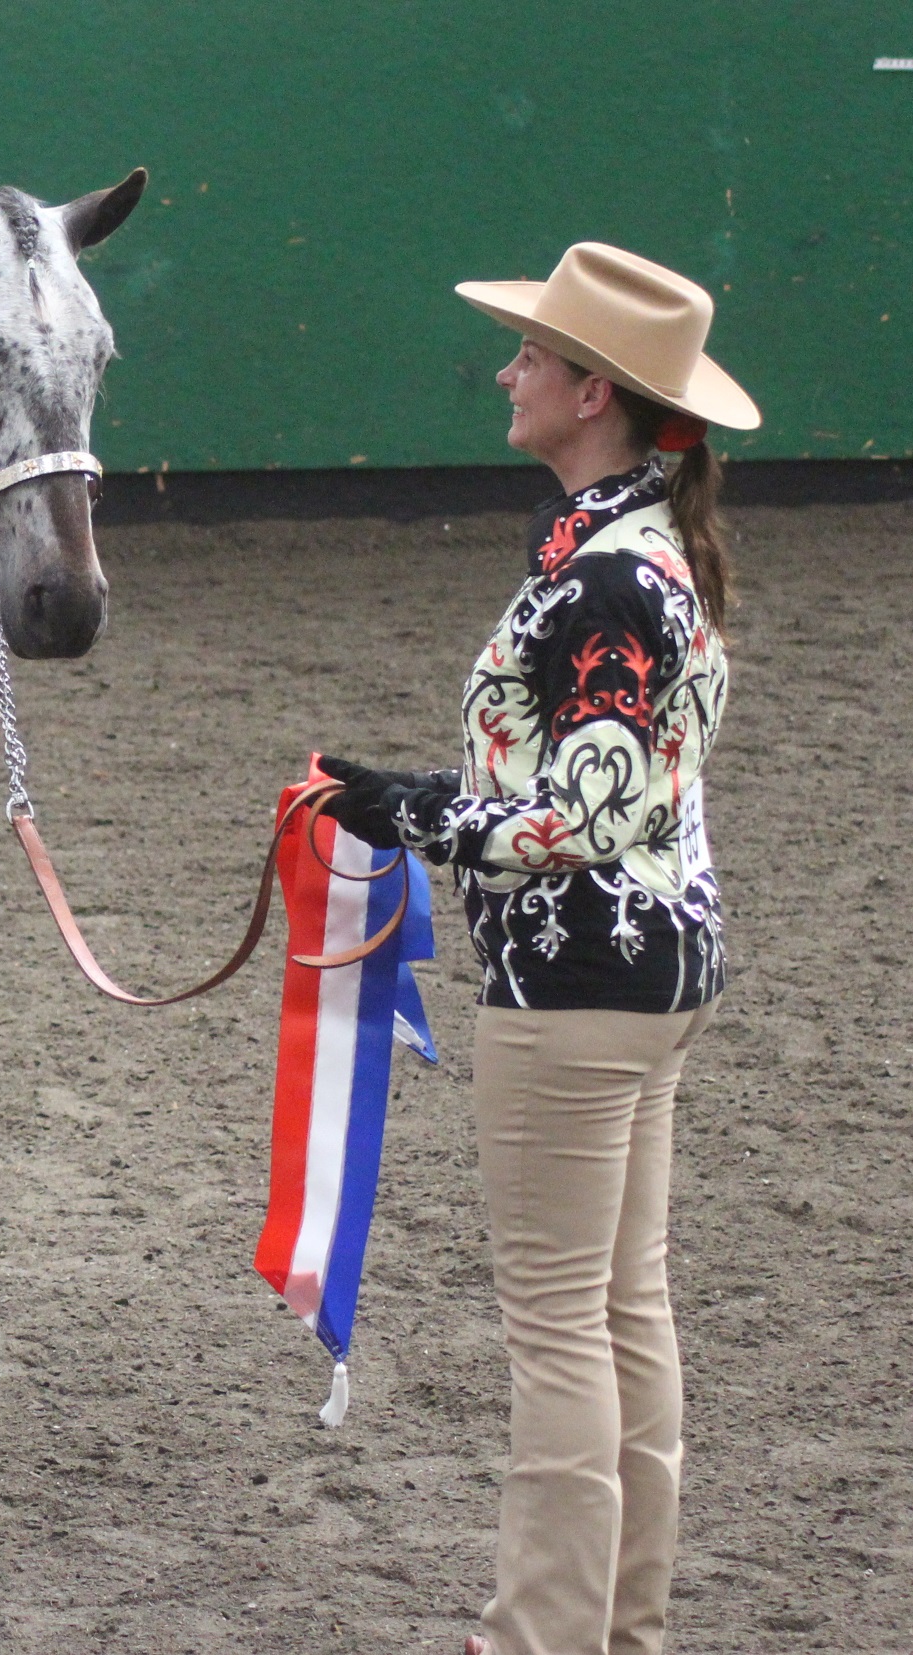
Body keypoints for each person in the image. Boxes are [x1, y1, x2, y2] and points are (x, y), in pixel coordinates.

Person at [319, 242, 760, 1655]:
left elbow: (586, 807)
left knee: (560, 1324)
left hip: (573, 981)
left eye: (529, 355)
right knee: (624, 1310)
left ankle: (541, 1640)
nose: (505, 371)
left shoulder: (602, 582)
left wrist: (415, 814)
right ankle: (613, 1629)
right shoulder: (644, 557)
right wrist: (424, 796)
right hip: (651, 971)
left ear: (588, 392)